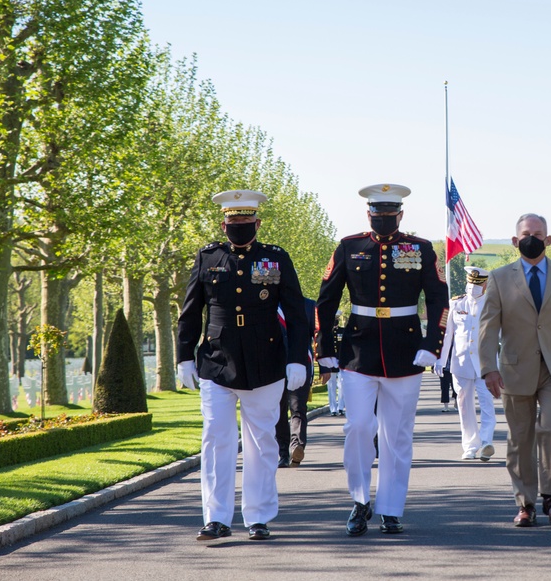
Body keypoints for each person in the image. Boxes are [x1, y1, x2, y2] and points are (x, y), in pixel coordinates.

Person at [315, 183, 449, 537]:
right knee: (357, 427)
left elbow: (439, 299)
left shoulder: (419, 249)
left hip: (406, 351)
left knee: (398, 436)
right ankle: (359, 500)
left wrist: (432, 345)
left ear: (401, 215)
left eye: (390, 216)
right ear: (369, 214)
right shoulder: (350, 246)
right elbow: (325, 301)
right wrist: (324, 348)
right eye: (378, 215)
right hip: (358, 350)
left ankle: (391, 508)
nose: (384, 221)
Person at [177, 189, 311, 542]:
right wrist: (183, 357)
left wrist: (297, 358)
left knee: (262, 444)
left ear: (258, 222)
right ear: (224, 224)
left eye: (245, 220)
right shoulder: (208, 257)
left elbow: (298, 316)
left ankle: (258, 517)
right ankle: (216, 518)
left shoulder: (276, 258)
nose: (239, 226)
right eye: (233, 221)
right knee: (217, 441)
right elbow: (191, 313)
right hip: (217, 363)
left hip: (266, 362)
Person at [478, 213, 551, 528]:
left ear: (549, 239)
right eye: (526, 234)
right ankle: (525, 503)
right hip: (516, 370)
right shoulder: (500, 277)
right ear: (516, 241)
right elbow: (488, 328)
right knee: (520, 438)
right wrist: (488, 367)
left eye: (539, 233)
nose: (533, 238)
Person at [437, 266, 496, 462]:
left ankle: (486, 442)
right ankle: (470, 446)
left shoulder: (492, 304)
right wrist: (441, 359)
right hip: (461, 363)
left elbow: (503, 336)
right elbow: (448, 334)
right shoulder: (455, 303)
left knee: (487, 404)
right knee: (464, 406)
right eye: (471, 283)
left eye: (478, 284)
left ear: (485, 285)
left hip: (486, 364)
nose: (473, 288)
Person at [275, 297, 318, 467]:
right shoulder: (270, 302)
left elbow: (317, 335)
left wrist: (325, 365)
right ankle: (283, 452)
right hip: (276, 365)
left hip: (302, 364)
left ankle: (296, 447)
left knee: (298, 407)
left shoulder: (308, 305)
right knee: (279, 410)